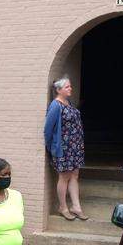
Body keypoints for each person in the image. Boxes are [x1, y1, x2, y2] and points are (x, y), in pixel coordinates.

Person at [43, 77, 86, 220]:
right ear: (58, 90)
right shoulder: (56, 105)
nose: (70, 89)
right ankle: (62, 207)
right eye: (67, 87)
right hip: (64, 148)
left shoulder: (69, 103)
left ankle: (76, 207)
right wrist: (52, 148)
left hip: (75, 148)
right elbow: (48, 129)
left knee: (74, 176)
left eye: (70, 86)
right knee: (64, 177)